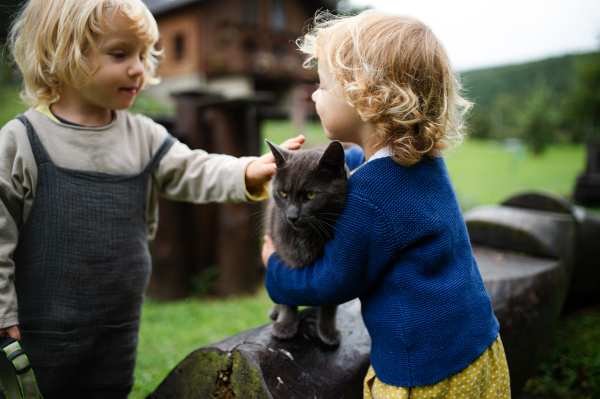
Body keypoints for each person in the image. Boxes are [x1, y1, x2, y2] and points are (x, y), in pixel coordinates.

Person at [0, 0, 304, 397]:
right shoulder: (22, 140)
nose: (138, 68)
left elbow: (193, 168)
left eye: (144, 55)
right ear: (62, 54)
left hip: (117, 321)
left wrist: (246, 170)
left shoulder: (142, 135)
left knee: (109, 388)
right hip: (42, 324)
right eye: (121, 54)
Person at [262, 10, 511, 399]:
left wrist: (275, 271)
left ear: (368, 98)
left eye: (323, 85)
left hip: (424, 375)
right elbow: (368, 169)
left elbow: (331, 281)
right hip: (480, 350)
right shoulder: (422, 159)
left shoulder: (372, 201)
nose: (313, 94)